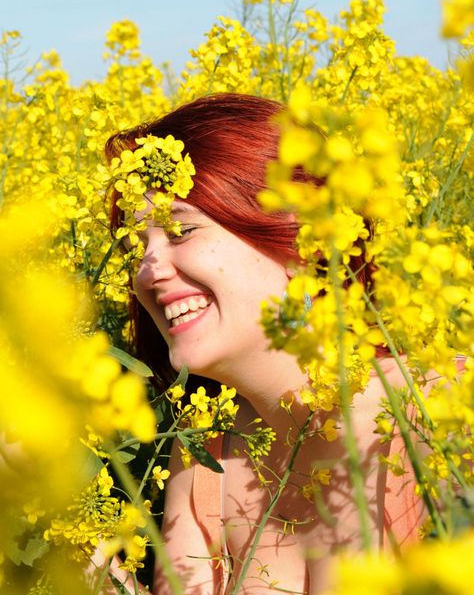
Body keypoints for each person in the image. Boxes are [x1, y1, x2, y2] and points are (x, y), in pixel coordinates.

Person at [105, 93, 422, 595]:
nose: (146, 270)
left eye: (180, 230)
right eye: (136, 245)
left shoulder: (439, 422)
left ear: (303, 242)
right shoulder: (203, 455)